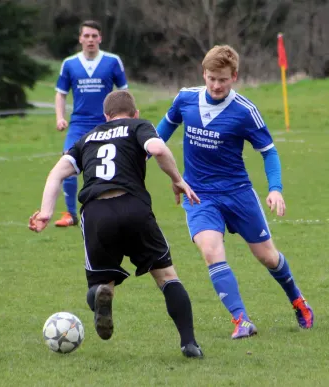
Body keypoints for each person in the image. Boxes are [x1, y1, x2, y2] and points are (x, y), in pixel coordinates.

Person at [154, 45, 314, 339]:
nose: (216, 85)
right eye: (212, 78)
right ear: (204, 74)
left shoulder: (244, 111)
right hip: (199, 195)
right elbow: (157, 137)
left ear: (234, 77)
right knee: (212, 252)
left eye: (223, 80)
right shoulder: (185, 100)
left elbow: (269, 152)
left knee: (268, 258)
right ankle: (241, 320)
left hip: (238, 194)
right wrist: (156, 166)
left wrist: (275, 189)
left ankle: (298, 300)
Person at [29, 90, 203, 358]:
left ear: (106, 116)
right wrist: (177, 179)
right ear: (135, 114)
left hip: (97, 212)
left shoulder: (86, 138)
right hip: (133, 207)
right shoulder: (138, 126)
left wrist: (46, 212)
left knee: (100, 283)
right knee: (167, 277)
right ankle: (189, 343)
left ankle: (102, 293)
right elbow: (157, 148)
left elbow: (57, 173)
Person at [54, 20, 128, 227]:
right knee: (68, 161)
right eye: (86, 36)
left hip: (106, 122)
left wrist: (125, 119)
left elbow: (124, 93)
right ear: (80, 38)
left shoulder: (112, 61)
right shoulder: (69, 64)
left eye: (94, 36)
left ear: (100, 38)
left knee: (112, 165)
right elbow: (60, 94)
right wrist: (60, 117)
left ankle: (113, 209)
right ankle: (70, 214)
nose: (90, 40)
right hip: (78, 123)